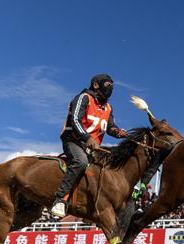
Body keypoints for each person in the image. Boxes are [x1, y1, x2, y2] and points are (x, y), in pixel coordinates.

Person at [51, 74, 130, 218]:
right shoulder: (84, 98)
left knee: (106, 169)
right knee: (80, 162)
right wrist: (87, 138)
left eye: (112, 86)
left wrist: (118, 132)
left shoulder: (108, 108)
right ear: (96, 85)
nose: (111, 88)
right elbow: (75, 120)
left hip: (92, 147)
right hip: (73, 140)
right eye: (107, 85)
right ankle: (60, 199)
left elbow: (110, 127)